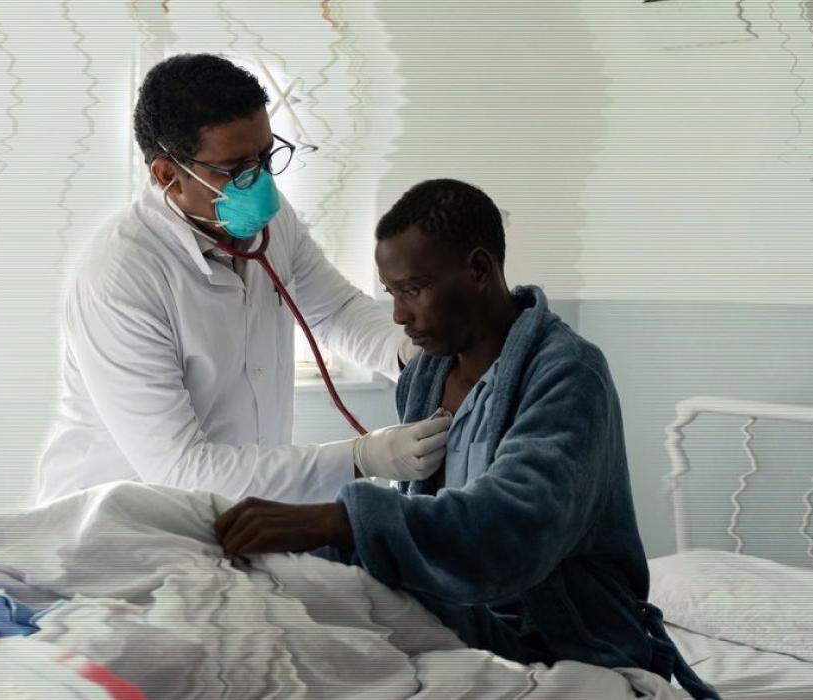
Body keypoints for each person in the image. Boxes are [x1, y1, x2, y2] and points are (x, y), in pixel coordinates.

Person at [213, 179, 720, 700]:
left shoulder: (568, 374)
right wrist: (312, 539)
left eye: (412, 290)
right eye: (391, 293)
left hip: (564, 637)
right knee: (233, 570)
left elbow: (510, 529)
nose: (398, 315)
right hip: (458, 611)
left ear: (479, 270)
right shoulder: (427, 374)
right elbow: (425, 526)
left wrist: (336, 520)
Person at [35, 54, 452, 506]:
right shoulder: (120, 280)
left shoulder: (273, 225)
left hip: (238, 512)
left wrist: (410, 353)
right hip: (120, 523)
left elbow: (335, 312)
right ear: (168, 175)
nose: (262, 183)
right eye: (236, 170)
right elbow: (180, 468)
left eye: (267, 156)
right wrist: (361, 458)